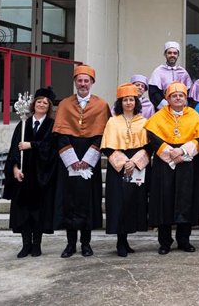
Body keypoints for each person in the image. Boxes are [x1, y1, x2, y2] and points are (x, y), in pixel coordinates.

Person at [53, 65, 111, 258]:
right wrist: (72, 160)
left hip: (89, 160)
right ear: (75, 82)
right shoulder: (64, 105)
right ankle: (70, 244)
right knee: (69, 202)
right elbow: (60, 135)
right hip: (69, 160)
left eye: (87, 81)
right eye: (80, 80)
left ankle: (86, 243)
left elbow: (102, 135)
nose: (83, 84)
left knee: (87, 202)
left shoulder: (101, 105)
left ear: (92, 83)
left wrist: (87, 160)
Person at [145, 82, 199, 255]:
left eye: (181, 96)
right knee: (165, 200)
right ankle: (165, 241)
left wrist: (183, 151)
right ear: (167, 98)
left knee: (186, 200)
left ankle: (184, 240)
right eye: (174, 96)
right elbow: (153, 137)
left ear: (186, 98)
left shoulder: (194, 115)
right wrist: (171, 153)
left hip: (187, 163)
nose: (178, 98)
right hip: (164, 165)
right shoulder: (158, 116)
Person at [3, 87, 57, 258]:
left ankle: (36, 245)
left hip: (41, 176)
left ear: (49, 107)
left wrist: (31, 145)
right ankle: (25, 245)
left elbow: (51, 148)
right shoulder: (23, 123)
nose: (42, 105)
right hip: (23, 176)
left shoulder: (51, 125)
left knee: (38, 213)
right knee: (23, 212)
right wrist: (15, 169)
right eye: (39, 102)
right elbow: (13, 149)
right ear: (34, 104)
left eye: (45, 103)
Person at [100, 83, 149, 257]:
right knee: (118, 203)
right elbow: (107, 147)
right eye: (125, 100)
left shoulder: (143, 121)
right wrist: (122, 162)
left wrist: (134, 162)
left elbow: (148, 146)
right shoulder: (113, 122)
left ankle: (127, 239)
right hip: (117, 168)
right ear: (120, 103)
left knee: (132, 203)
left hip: (136, 167)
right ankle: (120, 242)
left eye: (131, 99)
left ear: (136, 102)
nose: (128, 103)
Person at [148, 41, 193, 110]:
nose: (172, 55)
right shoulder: (158, 71)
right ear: (165, 54)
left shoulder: (183, 72)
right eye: (169, 53)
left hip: (181, 109)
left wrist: (182, 105)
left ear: (178, 55)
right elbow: (153, 92)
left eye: (175, 53)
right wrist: (165, 105)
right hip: (163, 109)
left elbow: (189, 92)